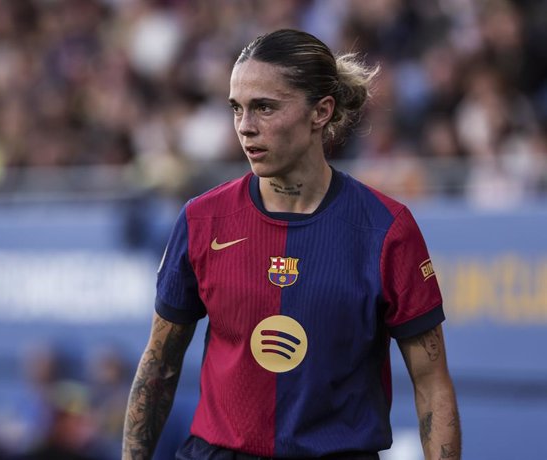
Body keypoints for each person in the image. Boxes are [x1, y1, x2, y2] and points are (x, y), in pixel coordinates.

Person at [123, 29, 461, 460]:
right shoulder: (201, 219)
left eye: (264, 107)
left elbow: (432, 385)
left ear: (321, 111)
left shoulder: (387, 230)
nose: (245, 127)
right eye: (236, 109)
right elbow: (159, 365)